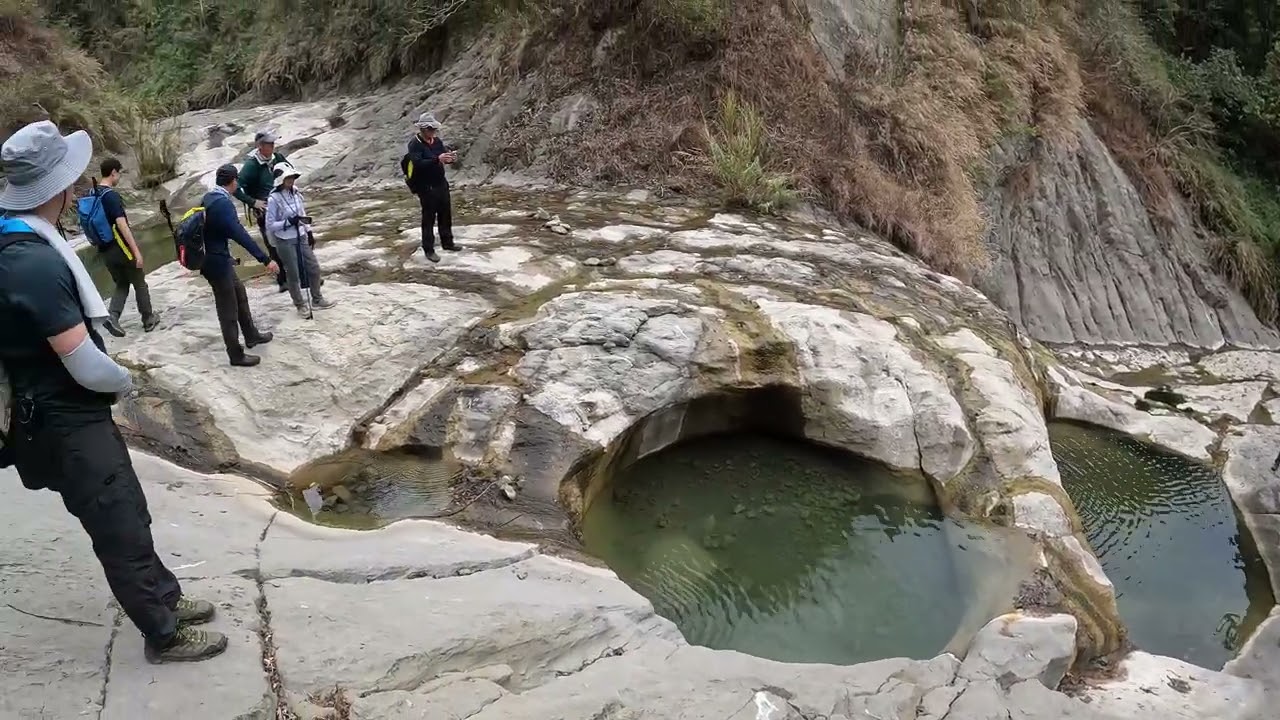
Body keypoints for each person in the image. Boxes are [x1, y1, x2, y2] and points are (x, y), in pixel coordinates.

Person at [0, 120, 226, 663]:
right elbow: (83, 363)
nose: (76, 189)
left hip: (56, 413)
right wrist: (126, 382)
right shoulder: (28, 263)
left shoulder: (17, 242)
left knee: (127, 507)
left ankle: (166, 596)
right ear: (56, 189)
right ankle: (164, 633)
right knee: (117, 519)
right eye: (69, 180)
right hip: (63, 419)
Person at [202, 164, 279, 367]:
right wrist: (265, 259)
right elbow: (240, 235)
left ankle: (251, 335)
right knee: (228, 309)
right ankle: (235, 355)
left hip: (216, 259)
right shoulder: (222, 204)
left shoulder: (210, 197)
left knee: (239, 294)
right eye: (236, 180)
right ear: (233, 181)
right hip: (216, 263)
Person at [95, 157, 158, 337]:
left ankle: (113, 317)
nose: (120, 177)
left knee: (122, 283)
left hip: (104, 249)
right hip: (121, 247)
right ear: (113, 172)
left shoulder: (93, 194)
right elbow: (122, 225)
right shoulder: (111, 196)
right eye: (119, 173)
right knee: (139, 282)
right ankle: (148, 318)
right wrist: (136, 251)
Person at [266, 164, 335, 318]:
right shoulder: (273, 199)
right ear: (280, 179)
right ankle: (300, 305)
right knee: (293, 273)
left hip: (301, 235)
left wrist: (309, 231)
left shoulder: (296, 193)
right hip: (285, 240)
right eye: (287, 177)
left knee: (314, 267)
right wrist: (288, 222)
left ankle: (317, 299)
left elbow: (302, 213)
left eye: (292, 177)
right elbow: (270, 225)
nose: (291, 180)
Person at [234, 130, 288, 292]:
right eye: (268, 144)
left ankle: (305, 275)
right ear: (259, 146)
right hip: (265, 211)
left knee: (296, 239)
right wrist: (253, 202)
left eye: (272, 143)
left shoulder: (277, 158)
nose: (272, 146)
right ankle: (282, 280)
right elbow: (236, 188)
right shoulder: (251, 165)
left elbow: (289, 172)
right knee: (273, 245)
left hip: (284, 205)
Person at [406, 113, 458, 263]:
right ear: (422, 129)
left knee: (445, 214)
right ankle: (428, 249)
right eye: (430, 128)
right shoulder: (414, 144)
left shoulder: (437, 141)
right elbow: (417, 164)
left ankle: (448, 243)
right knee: (428, 218)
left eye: (434, 128)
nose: (432, 131)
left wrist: (448, 159)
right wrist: (437, 159)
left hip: (441, 183)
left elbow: (441, 156)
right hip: (425, 186)